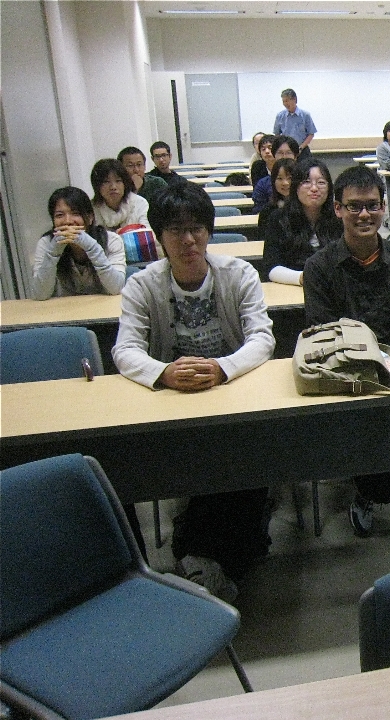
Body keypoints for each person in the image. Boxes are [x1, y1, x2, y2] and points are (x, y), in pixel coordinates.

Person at [112, 182, 275, 602]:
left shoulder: (237, 275)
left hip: (234, 398)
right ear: (159, 237)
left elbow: (263, 339)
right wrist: (163, 372)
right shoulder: (141, 286)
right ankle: (211, 557)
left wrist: (223, 368)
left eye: (197, 229)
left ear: (209, 231)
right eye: (175, 231)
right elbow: (125, 350)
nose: (188, 240)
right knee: (205, 466)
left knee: (246, 461)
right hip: (174, 406)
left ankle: (199, 554)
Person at [302, 165, 390, 538]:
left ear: (383, 208)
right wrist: (364, 364)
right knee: (363, 414)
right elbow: (323, 333)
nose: (364, 214)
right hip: (344, 375)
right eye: (354, 206)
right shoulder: (318, 268)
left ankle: (372, 490)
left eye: (373, 206)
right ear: (337, 209)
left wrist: (386, 364)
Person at [32, 186, 125, 300]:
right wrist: (54, 252)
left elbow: (116, 288)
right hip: (62, 312)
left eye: (75, 213)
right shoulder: (46, 244)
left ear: (90, 217)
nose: (68, 221)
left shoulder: (112, 240)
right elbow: (40, 294)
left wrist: (91, 247)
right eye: (59, 215)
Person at [261, 157, 341, 286]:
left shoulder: (340, 219)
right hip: (290, 289)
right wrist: (302, 278)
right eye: (306, 182)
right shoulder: (278, 219)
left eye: (321, 182)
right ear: (295, 187)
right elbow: (271, 267)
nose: (314, 188)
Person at [90, 158, 149, 231]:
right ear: (97, 185)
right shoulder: (91, 209)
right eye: (106, 182)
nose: (113, 187)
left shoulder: (140, 203)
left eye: (118, 181)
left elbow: (146, 235)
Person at [252, 135, 298, 213]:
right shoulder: (263, 183)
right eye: (280, 153)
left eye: (288, 153)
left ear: (296, 156)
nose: (284, 157)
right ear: (274, 155)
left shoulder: (304, 179)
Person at [273, 88, 315, 156]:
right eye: (283, 101)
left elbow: (311, 134)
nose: (285, 104)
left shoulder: (305, 115)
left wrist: (301, 147)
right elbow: (277, 134)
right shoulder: (280, 116)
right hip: (286, 152)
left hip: (302, 150)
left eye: (287, 101)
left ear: (294, 99)